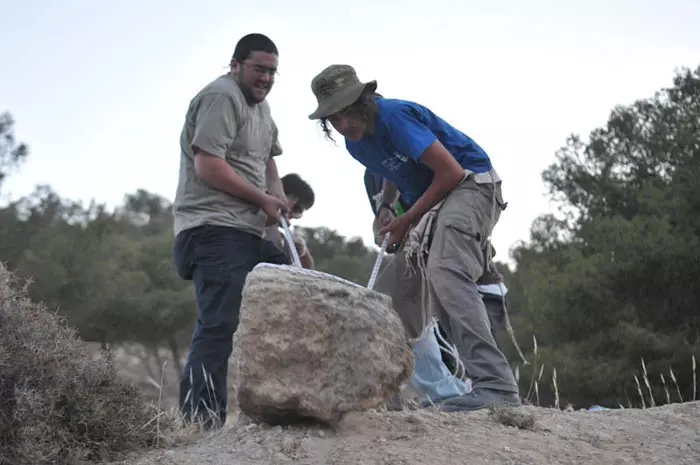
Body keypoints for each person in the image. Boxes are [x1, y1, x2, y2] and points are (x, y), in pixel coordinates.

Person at [308, 64, 521, 412]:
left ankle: (495, 386)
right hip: (430, 202)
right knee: (387, 299)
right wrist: (386, 207)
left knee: (446, 269)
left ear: (365, 100)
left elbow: (450, 171)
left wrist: (407, 219)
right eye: (334, 118)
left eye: (348, 111)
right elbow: (388, 168)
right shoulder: (355, 144)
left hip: (470, 183)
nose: (344, 123)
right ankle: (381, 398)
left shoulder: (394, 116)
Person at [171, 33, 290, 428]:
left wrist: (276, 195)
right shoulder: (222, 97)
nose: (266, 78)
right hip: (211, 228)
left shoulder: (263, 106)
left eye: (272, 71)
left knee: (294, 286)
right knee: (219, 324)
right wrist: (260, 199)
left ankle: (289, 406)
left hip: (247, 232)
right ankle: (199, 424)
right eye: (259, 69)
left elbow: (269, 158)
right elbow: (208, 165)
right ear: (236, 64)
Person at [364, 169, 513, 408]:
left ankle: (488, 388)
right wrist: (385, 232)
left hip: (457, 263)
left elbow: (452, 203)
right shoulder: (372, 176)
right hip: (419, 257)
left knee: (445, 284)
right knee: (390, 307)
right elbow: (392, 233)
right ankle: (410, 394)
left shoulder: (417, 153)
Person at [264, 173, 316, 269]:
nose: (294, 215)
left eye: (299, 212)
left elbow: (307, 270)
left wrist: (303, 252)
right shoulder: (247, 216)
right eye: (297, 208)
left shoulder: (280, 237)